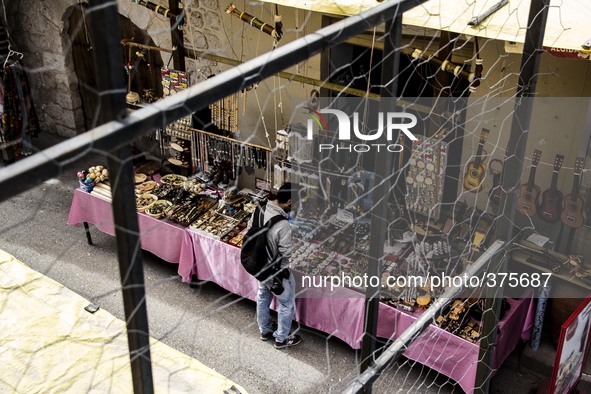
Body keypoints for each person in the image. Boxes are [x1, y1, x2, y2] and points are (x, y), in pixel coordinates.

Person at [248, 182, 302, 349]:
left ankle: (264, 330)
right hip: (275, 270)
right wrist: (284, 270)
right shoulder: (283, 224)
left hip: (258, 264)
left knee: (263, 295)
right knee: (286, 303)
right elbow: (286, 253)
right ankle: (281, 338)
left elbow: (250, 231)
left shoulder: (260, 208)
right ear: (290, 202)